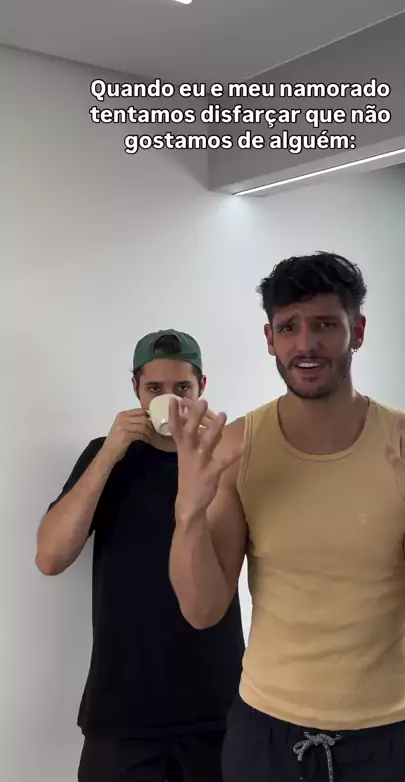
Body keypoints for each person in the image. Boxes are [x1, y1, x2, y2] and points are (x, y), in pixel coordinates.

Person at [169, 253, 405, 782]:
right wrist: (188, 513)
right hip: (264, 736)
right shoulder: (238, 448)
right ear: (270, 339)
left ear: (357, 331)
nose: (305, 343)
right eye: (288, 327)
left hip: (383, 741)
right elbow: (201, 610)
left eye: (324, 325)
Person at [36, 329, 245, 782]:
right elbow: (50, 557)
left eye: (182, 388)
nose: (171, 401)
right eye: (155, 388)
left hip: (217, 705)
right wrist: (110, 453)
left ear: (202, 388)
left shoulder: (226, 460)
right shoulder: (107, 457)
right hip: (122, 711)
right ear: (135, 389)